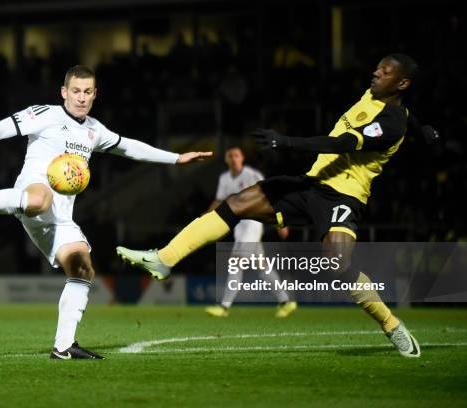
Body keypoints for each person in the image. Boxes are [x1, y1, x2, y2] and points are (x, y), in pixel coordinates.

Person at [117, 54, 439, 358]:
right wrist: (422, 128)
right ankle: (163, 258)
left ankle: (390, 324)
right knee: (238, 202)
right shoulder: (380, 100)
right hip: (312, 183)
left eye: (385, 71)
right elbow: (408, 115)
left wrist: (287, 142)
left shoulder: (393, 121)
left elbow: (343, 144)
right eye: (378, 67)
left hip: (344, 196)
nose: (376, 73)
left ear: (402, 84)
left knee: (338, 263)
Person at [0, 65, 211, 360]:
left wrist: (176, 158)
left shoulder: (94, 131)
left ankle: (64, 347)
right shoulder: (44, 114)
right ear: (63, 92)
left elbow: (129, 147)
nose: (81, 97)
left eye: (87, 92)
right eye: (75, 90)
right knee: (40, 199)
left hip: (61, 218)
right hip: (32, 194)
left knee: (82, 268)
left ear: (95, 95)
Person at [204, 146, 296, 318]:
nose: (233, 158)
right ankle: (286, 302)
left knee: (236, 262)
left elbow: (269, 197)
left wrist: (280, 222)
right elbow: (218, 201)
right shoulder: (224, 178)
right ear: (226, 160)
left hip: (253, 223)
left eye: (236, 155)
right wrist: (205, 216)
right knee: (263, 267)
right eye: (229, 155)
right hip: (239, 225)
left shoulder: (252, 175)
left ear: (242, 158)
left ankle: (224, 307)